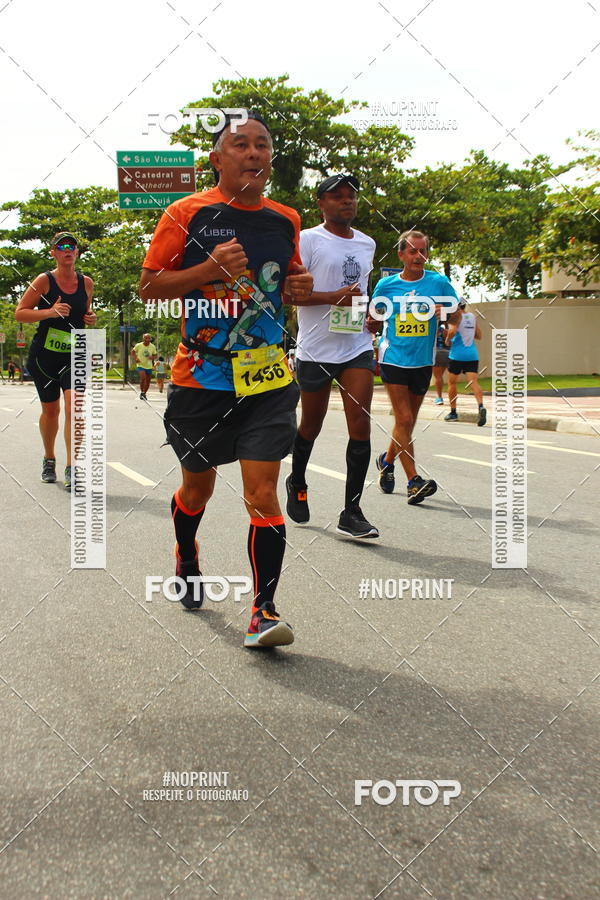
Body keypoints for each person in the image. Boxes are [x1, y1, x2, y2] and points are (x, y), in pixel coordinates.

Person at [139, 110, 312, 649]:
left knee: (262, 492)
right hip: (201, 378)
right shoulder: (185, 212)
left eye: (262, 144)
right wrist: (209, 269)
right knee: (198, 488)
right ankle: (186, 553)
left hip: (266, 376)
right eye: (241, 144)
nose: (254, 153)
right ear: (216, 159)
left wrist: (297, 287)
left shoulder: (286, 218)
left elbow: (285, 280)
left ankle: (263, 611)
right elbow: (151, 288)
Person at [286, 173, 378, 539]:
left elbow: (361, 293)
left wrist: (370, 314)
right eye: (337, 196)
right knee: (312, 424)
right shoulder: (307, 240)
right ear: (321, 202)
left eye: (352, 196)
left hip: (355, 345)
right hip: (316, 348)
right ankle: (297, 479)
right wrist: (330, 297)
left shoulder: (368, 243)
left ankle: (351, 510)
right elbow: (288, 296)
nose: (347, 201)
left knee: (360, 424)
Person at [371, 230, 459, 504]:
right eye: (412, 251)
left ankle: (386, 461)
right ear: (401, 255)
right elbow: (372, 319)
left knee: (406, 423)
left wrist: (443, 314)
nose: (418, 257)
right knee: (405, 420)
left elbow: (456, 313)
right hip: (394, 357)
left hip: (423, 360)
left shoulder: (438, 282)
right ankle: (414, 482)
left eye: (423, 251)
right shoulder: (386, 286)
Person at [15, 232, 95, 490]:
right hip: (45, 357)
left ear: (77, 252)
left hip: (75, 353)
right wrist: (50, 312)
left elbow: (85, 313)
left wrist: (90, 318)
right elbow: (20, 313)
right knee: (51, 411)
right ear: (53, 253)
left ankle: (73, 467)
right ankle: (49, 458)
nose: (67, 250)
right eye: (61, 247)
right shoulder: (44, 281)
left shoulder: (87, 283)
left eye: (71, 246)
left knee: (75, 408)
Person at [444, 300, 487, 425]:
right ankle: (480, 407)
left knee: (452, 383)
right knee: (473, 382)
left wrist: (447, 340)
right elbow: (479, 335)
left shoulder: (455, 317)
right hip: (472, 354)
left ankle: (453, 412)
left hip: (457, 355)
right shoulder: (472, 316)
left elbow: (452, 331)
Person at [131, 333, 156, 399]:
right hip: (140, 365)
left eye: (148, 338)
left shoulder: (152, 346)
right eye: (146, 338)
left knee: (148, 381)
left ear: (150, 339)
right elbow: (132, 352)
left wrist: (152, 357)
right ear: (143, 339)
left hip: (149, 366)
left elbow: (155, 355)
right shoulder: (138, 345)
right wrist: (136, 358)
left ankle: (144, 393)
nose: (147, 339)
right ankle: (142, 392)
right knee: (143, 378)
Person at [432, 319, 449, 404]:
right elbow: (449, 342)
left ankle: (439, 397)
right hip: (446, 353)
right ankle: (440, 396)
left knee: (438, 377)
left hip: (437, 353)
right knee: (440, 376)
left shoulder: (432, 329)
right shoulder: (445, 330)